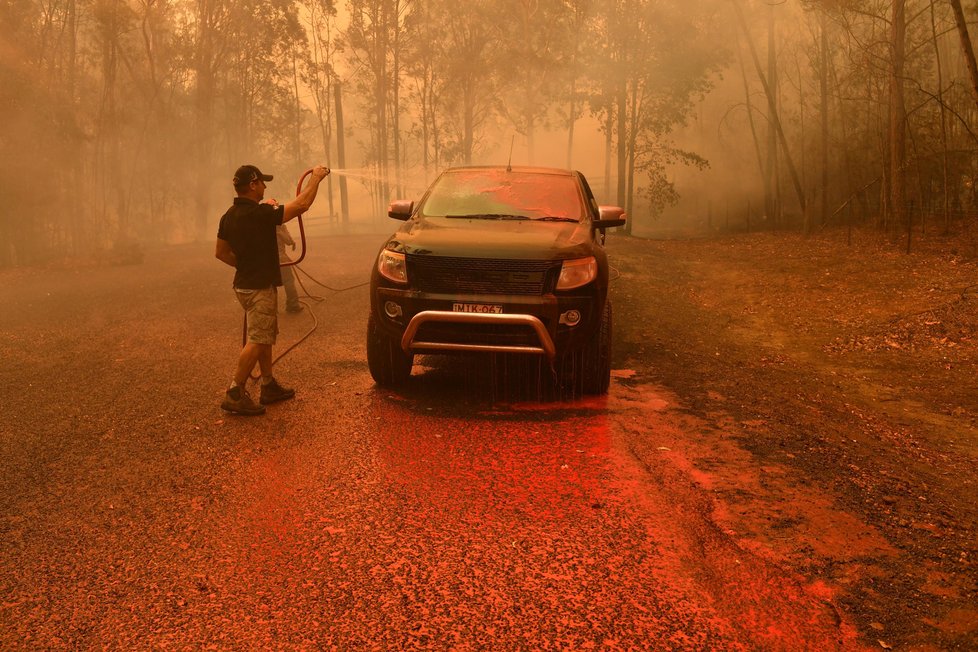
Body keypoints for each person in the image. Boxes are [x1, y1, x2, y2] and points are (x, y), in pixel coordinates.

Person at [215, 163, 330, 415]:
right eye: (262, 183)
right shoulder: (260, 213)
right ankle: (235, 391)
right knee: (258, 339)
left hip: (243, 285)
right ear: (253, 185)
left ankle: (268, 385)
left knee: (264, 334)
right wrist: (317, 179)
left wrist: (245, 265)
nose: (265, 187)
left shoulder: (228, 216)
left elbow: (220, 252)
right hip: (259, 288)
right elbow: (302, 205)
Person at [276, 223, 303, 313]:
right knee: (288, 281)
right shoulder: (280, 225)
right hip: (281, 258)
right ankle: (293, 304)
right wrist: (292, 241)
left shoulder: (261, 224)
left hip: (267, 260)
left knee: (269, 284)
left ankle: (269, 308)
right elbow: (288, 241)